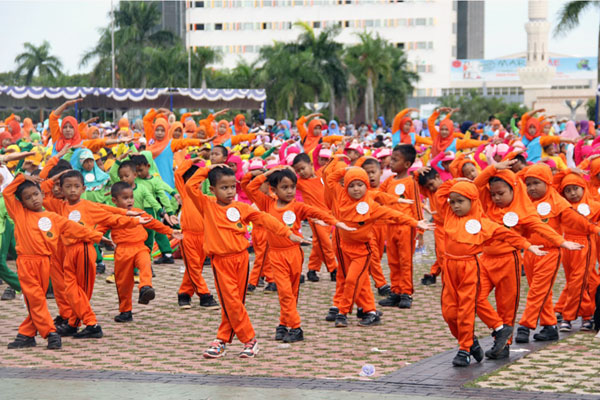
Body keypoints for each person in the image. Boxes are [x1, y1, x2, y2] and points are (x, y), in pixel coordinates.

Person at [185, 164, 306, 359]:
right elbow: (191, 186)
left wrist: (288, 234)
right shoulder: (206, 204)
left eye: (233, 186)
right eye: (224, 188)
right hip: (221, 261)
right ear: (212, 189)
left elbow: (264, 219)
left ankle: (222, 340)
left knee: (233, 303)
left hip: (241, 259)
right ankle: (249, 340)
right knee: (231, 302)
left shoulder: (241, 207)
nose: (230, 191)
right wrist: (208, 169)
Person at [436, 180, 546, 367]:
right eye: (452, 202)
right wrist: (463, 181)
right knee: (449, 313)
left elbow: (506, 234)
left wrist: (528, 246)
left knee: (466, 310)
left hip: (469, 267)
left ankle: (464, 349)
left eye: (460, 201)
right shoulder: (449, 214)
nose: (455, 206)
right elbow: (441, 192)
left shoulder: (482, 223)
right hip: (449, 267)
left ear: (473, 200)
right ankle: (488, 334)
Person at [473, 161, 575, 359]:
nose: (496, 198)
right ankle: (498, 329)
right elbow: (476, 186)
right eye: (493, 194)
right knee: (473, 297)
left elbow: (540, 226)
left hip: (511, 260)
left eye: (501, 193)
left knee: (508, 305)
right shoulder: (487, 204)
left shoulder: (524, 210)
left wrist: (562, 242)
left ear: (513, 189)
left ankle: (504, 345)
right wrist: (494, 168)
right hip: (486, 260)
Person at [323, 156, 433, 327]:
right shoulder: (341, 196)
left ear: (366, 185)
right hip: (344, 248)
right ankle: (369, 311)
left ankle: (343, 312)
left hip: (362, 250)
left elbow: (393, 214)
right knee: (360, 280)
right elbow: (329, 178)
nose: (356, 189)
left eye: (360, 185)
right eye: (351, 185)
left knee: (352, 280)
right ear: (345, 186)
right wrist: (346, 170)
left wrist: (416, 222)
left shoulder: (370, 204)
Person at [245, 166, 351, 342]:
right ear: (273, 190)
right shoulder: (266, 204)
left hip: (294, 254)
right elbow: (250, 188)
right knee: (285, 292)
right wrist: (268, 173)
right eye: (284, 187)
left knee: (292, 293)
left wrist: (336, 223)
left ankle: (283, 323)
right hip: (276, 255)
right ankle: (296, 327)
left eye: (292, 187)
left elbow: (317, 212)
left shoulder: (298, 207)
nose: (289, 191)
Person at [41, 170, 147, 338]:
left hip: (84, 249)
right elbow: (41, 191)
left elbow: (111, 218)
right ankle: (74, 323)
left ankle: (91, 324)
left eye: (76, 186)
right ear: (61, 189)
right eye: (68, 187)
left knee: (79, 291)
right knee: (72, 291)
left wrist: (132, 219)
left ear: (83, 188)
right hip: (69, 251)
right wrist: (54, 178)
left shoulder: (88, 206)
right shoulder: (59, 206)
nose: (72, 190)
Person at [4, 174, 104, 350]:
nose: (33, 199)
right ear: (22, 202)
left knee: (37, 300)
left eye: (36, 194)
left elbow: (74, 229)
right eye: (27, 198)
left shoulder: (52, 217)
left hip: (44, 264)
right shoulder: (19, 213)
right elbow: (7, 192)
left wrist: (99, 237)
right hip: (26, 263)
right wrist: (22, 177)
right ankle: (51, 333)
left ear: (42, 195)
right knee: (35, 300)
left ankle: (26, 334)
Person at [516, 164, 592, 344]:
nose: (532, 187)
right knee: (543, 292)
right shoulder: (525, 199)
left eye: (536, 183)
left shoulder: (558, 201)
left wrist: (595, 230)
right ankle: (550, 326)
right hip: (530, 251)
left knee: (537, 291)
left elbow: (579, 221)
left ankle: (525, 326)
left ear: (548, 182)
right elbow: (515, 180)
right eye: (529, 183)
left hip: (550, 252)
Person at [109, 182, 182, 322]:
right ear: (114, 200)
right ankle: (125, 311)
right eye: (125, 198)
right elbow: (99, 228)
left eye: (131, 197)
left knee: (145, 265)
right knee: (123, 283)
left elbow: (154, 223)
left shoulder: (139, 212)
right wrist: (96, 238)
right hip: (122, 251)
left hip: (140, 247)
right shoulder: (111, 215)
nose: (130, 200)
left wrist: (171, 231)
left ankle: (145, 288)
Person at [553, 169, 600, 332]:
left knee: (578, 281)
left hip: (585, 244)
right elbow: (552, 185)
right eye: (568, 190)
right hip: (567, 245)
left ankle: (569, 316)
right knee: (573, 280)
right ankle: (588, 314)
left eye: (575, 188)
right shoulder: (562, 205)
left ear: (583, 187)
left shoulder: (595, 206)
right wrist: (568, 171)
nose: (572, 193)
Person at [378, 144, 423, 309]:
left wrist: (421, 229)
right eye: (392, 158)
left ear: (407, 164)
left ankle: (406, 292)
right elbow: (378, 196)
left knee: (405, 261)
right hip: (390, 226)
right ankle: (395, 291)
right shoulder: (389, 181)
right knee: (393, 261)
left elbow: (417, 205)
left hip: (406, 227)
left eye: (395, 159)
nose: (391, 162)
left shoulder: (412, 182)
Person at [173, 158, 219, 309]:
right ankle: (205, 295)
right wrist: (194, 162)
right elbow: (179, 173)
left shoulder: (204, 198)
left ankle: (184, 294)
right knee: (193, 267)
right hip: (187, 236)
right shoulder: (185, 194)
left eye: (198, 180)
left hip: (204, 237)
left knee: (195, 268)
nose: (195, 183)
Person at [292, 153, 339, 282]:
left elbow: (330, 165)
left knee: (319, 244)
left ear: (311, 165)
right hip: (315, 218)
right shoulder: (300, 182)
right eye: (298, 170)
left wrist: (337, 152)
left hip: (329, 215)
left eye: (303, 168)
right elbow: (287, 178)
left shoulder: (321, 175)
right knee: (325, 244)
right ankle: (333, 269)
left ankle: (312, 269)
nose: (301, 172)